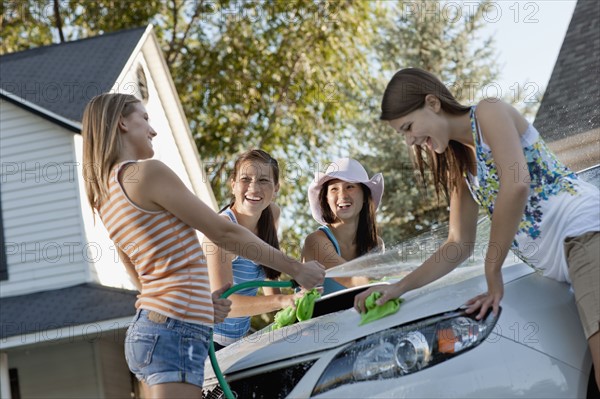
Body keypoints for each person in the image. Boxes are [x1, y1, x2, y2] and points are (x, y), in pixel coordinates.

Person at [353, 68, 600, 389]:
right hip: (567, 264)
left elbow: (517, 184)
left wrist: (492, 271)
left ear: (433, 103)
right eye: (403, 134)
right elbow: (457, 245)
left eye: (409, 127)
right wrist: (397, 288)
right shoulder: (462, 172)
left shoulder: (488, 112)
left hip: (586, 233)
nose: (410, 140)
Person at [81, 93, 325, 398]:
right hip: (173, 332)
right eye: (144, 118)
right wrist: (296, 269)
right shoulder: (146, 173)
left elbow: (143, 272)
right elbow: (224, 232)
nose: (153, 130)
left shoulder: (106, 192)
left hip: (159, 328)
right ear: (122, 123)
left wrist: (198, 303)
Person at [203, 149, 305, 349]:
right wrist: (283, 301)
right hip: (202, 339)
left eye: (263, 180)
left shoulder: (271, 214)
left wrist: (291, 309)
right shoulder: (220, 231)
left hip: (237, 339)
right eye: (245, 179)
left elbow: (267, 272)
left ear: (276, 188)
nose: (253, 187)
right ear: (233, 185)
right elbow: (226, 303)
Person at [302, 158, 385, 295]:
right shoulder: (316, 241)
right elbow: (353, 280)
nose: (342, 195)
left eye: (350, 187)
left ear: (365, 196)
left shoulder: (376, 244)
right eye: (334, 189)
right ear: (326, 199)